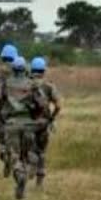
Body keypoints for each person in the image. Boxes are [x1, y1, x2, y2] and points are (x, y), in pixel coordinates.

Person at [0, 56, 46, 200]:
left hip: (11, 124)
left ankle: (20, 175)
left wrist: (3, 113)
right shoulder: (32, 84)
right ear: (25, 69)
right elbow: (42, 104)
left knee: (14, 155)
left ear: (12, 69)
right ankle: (31, 167)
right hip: (29, 124)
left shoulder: (5, 84)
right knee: (27, 153)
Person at [29, 56, 61, 187]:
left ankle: (26, 170)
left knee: (28, 149)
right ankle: (39, 181)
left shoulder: (25, 84)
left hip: (27, 123)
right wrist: (51, 118)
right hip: (43, 123)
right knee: (41, 151)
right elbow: (58, 106)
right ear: (43, 70)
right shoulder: (49, 86)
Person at [0, 43, 18, 176]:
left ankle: (4, 156)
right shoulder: (19, 68)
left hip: (1, 109)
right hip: (16, 109)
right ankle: (12, 157)